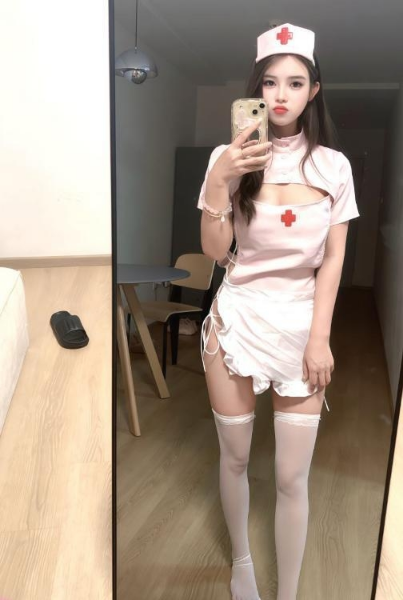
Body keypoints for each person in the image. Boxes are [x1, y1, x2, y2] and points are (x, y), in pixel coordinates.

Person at [196, 22, 360, 600]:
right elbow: (215, 252)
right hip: (237, 318)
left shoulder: (334, 167)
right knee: (235, 458)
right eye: (269, 82)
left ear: (313, 91)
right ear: (256, 90)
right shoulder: (227, 157)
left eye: (295, 82)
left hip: (299, 323)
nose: (281, 94)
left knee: (292, 476)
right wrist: (222, 179)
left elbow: (333, 260)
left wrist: (320, 338)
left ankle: (287, 592)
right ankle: (242, 564)